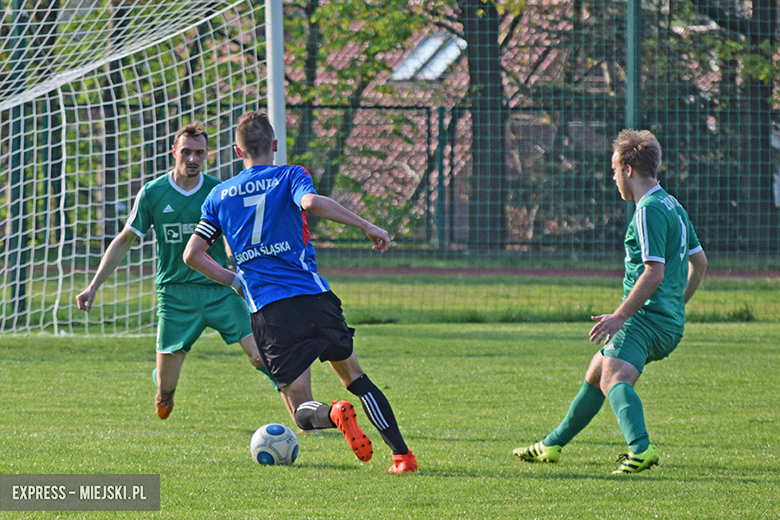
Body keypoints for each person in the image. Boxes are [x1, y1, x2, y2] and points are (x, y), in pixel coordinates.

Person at [183, 110, 417, 474]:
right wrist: (367, 225)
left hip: (270, 310)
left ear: (237, 149)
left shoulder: (218, 195)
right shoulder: (291, 174)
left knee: (301, 412)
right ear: (275, 146)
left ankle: (334, 414)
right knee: (355, 377)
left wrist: (235, 282)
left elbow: (192, 255)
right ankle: (402, 456)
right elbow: (310, 203)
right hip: (314, 297)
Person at [513, 129, 708, 474]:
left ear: (629, 170)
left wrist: (619, 316)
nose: (613, 176)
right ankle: (552, 444)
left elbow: (654, 273)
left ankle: (641, 449)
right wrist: (678, 306)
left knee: (612, 378)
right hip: (667, 321)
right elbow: (700, 262)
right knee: (597, 371)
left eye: (615, 169)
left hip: (643, 320)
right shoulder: (672, 204)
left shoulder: (647, 211)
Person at [76, 122, 285, 422]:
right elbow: (124, 240)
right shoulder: (153, 193)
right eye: (185, 151)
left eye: (199, 153)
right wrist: (93, 286)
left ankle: (298, 405)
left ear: (207, 155)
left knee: (259, 353)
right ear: (173, 151)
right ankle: (164, 389)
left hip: (219, 291)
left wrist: (237, 267)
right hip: (175, 296)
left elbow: (231, 239)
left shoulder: (218, 191)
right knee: (166, 383)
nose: (192, 158)